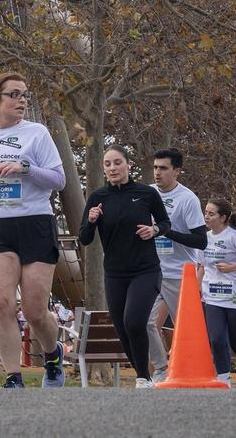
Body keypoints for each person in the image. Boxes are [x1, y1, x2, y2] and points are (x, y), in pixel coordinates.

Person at [0, 71, 68, 388]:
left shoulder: (36, 133)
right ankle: (13, 377)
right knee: (1, 304)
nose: (21, 101)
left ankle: (52, 354)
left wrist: (26, 168)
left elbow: (58, 180)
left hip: (34, 222)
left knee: (35, 312)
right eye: (14, 95)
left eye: (24, 95)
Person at [79, 146, 172, 388]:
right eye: (108, 164)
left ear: (128, 165)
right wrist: (90, 221)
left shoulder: (146, 194)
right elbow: (84, 238)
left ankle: (142, 378)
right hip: (114, 273)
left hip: (145, 269)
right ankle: (145, 376)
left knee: (134, 321)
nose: (113, 168)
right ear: (103, 168)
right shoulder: (98, 198)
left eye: (117, 162)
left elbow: (165, 222)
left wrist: (154, 230)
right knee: (122, 327)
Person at [146, 148, 207, 383]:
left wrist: (166, 231)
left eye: (163, 168)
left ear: (177, 171)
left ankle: (192, 373)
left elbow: (200, 240)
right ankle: (161, 369)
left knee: (185, 330)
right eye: (155, 167)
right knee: (144, 322)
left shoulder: (188, 199)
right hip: (151, 271)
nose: (157, 173)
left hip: (180, 274)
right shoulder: (148, 194)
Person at [199, 200, 236, 386]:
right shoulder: (204, 238)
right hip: (213, 298)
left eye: (211, 214)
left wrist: (233, 267)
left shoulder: (234, 237)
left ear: (223, 217)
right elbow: (201, 266)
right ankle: (224, 380)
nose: (206, 217)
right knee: (216, 339)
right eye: (206, 213)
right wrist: (195, 290)